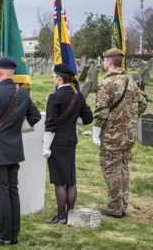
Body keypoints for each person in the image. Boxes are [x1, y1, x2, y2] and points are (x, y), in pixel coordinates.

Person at [0, 56, 41, 246]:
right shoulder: (22, 92)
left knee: (2, 194)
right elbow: (35, 116)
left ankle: (4, 235)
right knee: (12, 191)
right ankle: (13, 234)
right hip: (14, 147)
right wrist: (14, 129)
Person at [93, 48, 148, 218]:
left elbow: (101, 112)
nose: (103, 63)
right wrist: (129, 118)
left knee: (111, 170)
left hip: (111, 136)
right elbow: (142, 104)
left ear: (109, 61)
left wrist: (96, 132)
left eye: (104, 60)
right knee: (123, 169)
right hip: (128, 135)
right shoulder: (130, 81)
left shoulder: (106, 83)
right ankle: (122, 205)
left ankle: (114, 208)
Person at [42, 64, 93, 224]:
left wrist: (45, 146)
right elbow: (87, 119)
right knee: (70, 179)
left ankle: (61, 216)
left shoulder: (54, 97)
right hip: (71, 141)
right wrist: (71, 120)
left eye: (54, 76)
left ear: (59, 78)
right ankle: (70, 214)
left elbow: (50, 124)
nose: (53, 79)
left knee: (59, 181)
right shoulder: (78, 96)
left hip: (57, 142)